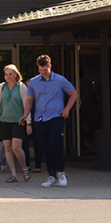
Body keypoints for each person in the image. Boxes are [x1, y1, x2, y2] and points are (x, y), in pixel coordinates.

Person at [23, 55, 77, 186]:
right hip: (40, 118)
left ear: (50, 67)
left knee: (55, 144)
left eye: (45, 70)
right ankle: (51, 175)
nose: (43, 72)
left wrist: (67, 109)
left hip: (56, 116)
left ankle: (61, 172)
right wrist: (25, 115)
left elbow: (73, 93)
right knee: (44, 147)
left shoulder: (60, 80)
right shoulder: (34, 82)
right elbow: (30, 99)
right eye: (40, 70)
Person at [0, 64, 31, 183]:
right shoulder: (2, 87)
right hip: (4, 121)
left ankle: (24, 169)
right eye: (6, 74)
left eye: (11, 74)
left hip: (18, 121)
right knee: (7, 148)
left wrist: (28, 122)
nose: (8, 76)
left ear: (16, 75)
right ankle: (13, 174)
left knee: (16, 147)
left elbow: (27, 104)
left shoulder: (21, 86)